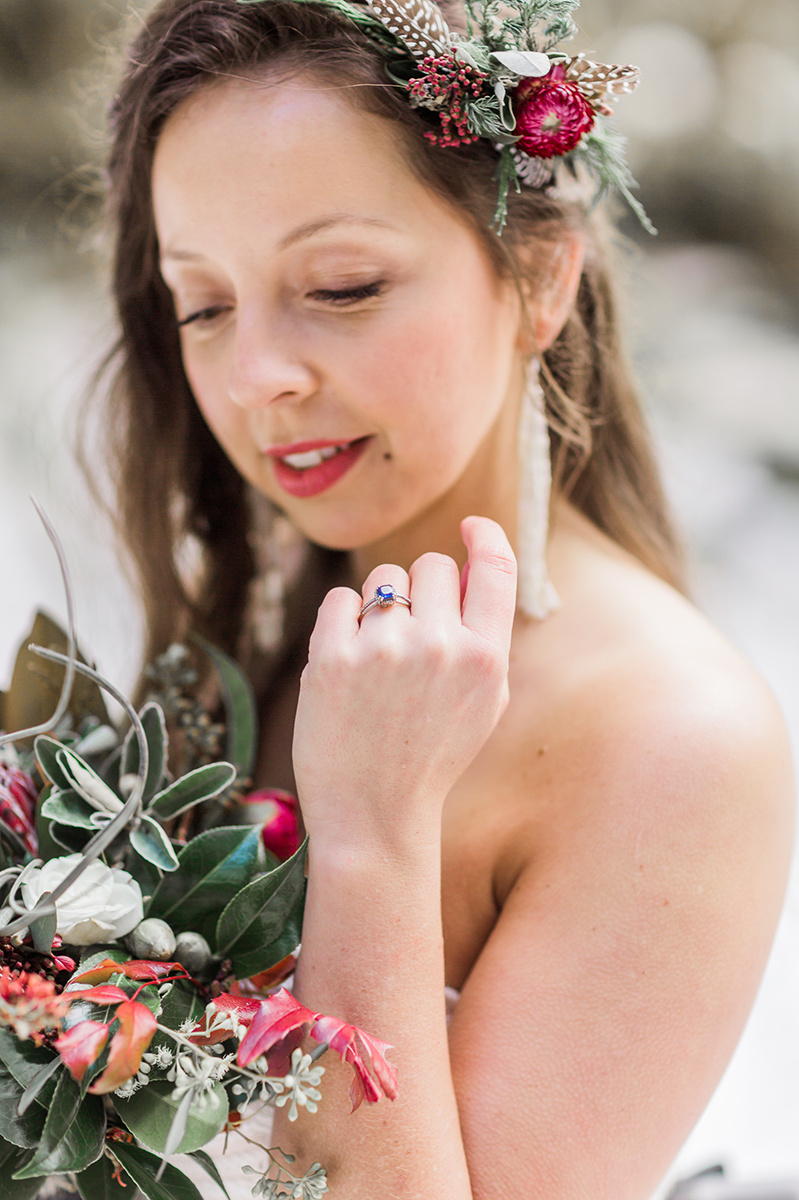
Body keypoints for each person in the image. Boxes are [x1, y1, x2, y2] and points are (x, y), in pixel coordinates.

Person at [97, 0, 794, 1196]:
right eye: (202, 305)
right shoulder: (255, 634)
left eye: (345, 285)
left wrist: (371, 836)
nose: (258, 376)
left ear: (537, 275)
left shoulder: (673, 740)